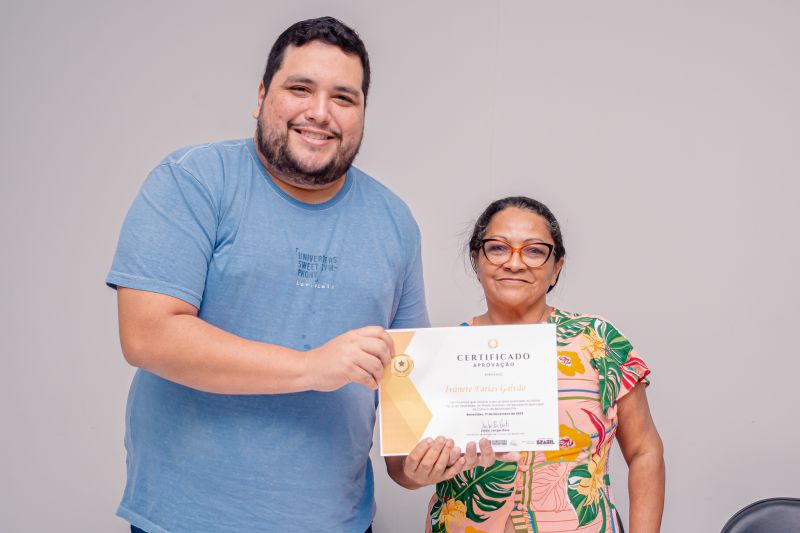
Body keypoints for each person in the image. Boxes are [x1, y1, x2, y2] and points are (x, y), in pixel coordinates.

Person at [106, 16, 428, 533]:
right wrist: (311, 367)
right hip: (187, 521)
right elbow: (147, 335)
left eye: (343, 98)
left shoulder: (395, 222)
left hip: (339, 523)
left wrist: (421, 464)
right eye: (300, 88)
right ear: (261, 96)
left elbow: (405, 394)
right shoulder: (193, 181)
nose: (319, 112)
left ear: (363, 113)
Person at [386, 196, 664, 532]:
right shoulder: (437, 354)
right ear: (476, 259)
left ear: (556, 266)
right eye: (498, 248)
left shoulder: (598, 342)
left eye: (534, 250)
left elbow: (644, 451)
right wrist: (415, 472)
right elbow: (400, 469)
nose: (515, 263)